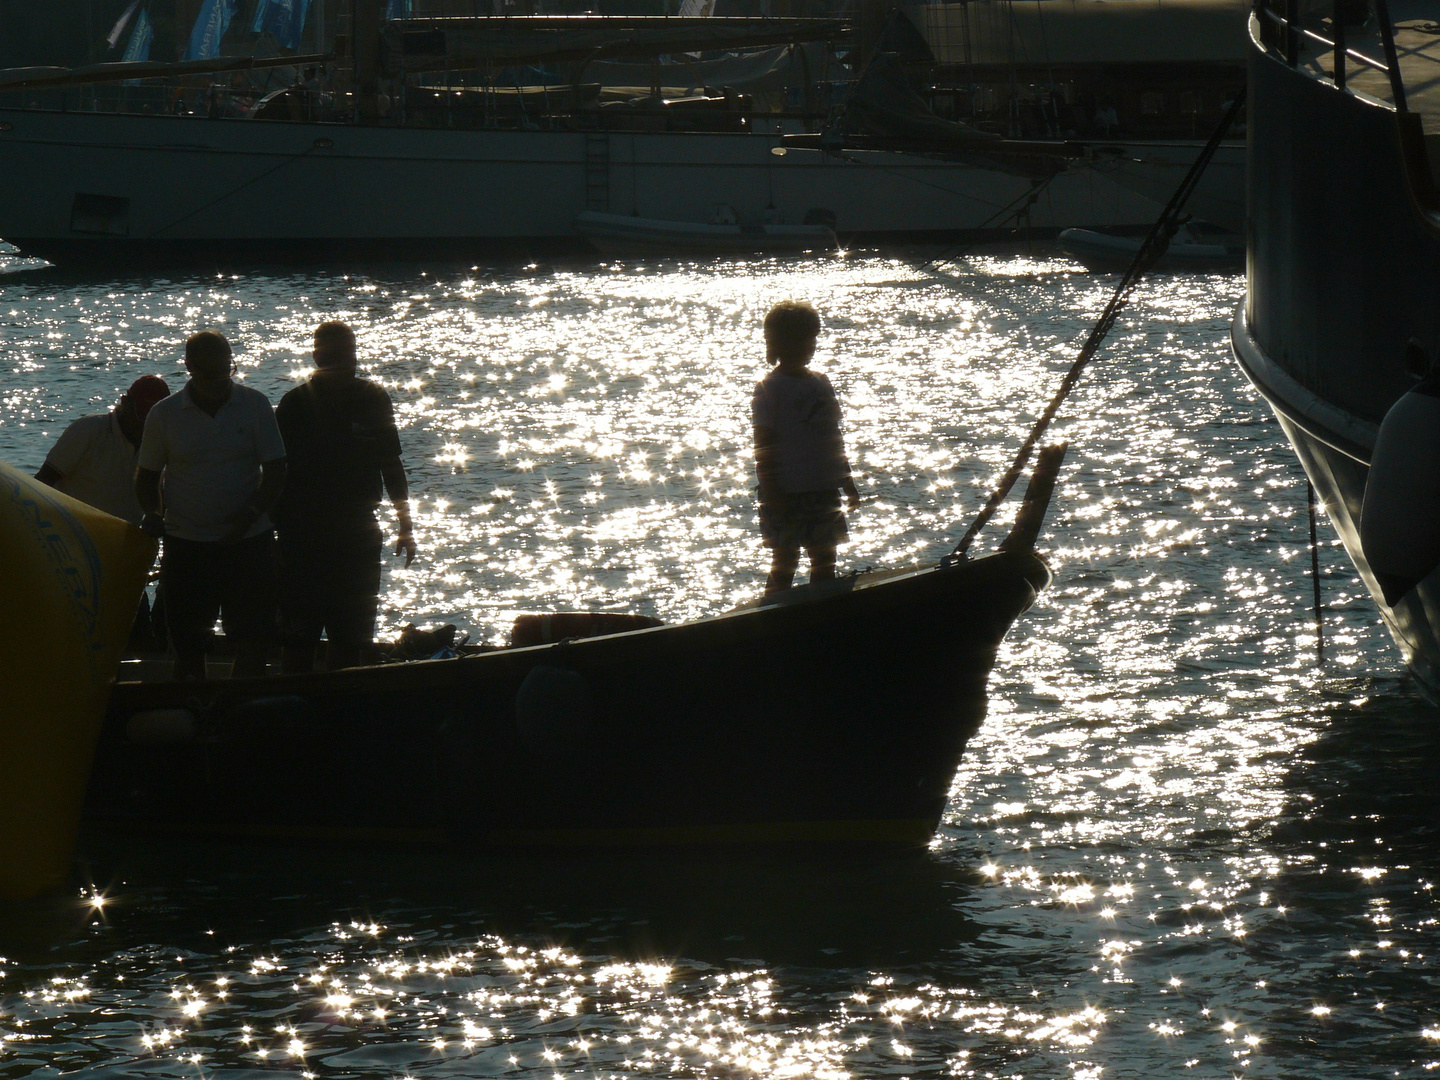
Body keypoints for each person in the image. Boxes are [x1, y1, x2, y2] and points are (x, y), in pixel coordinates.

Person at [135, 330, 287, 681]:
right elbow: (146, 478)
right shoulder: (164, 414)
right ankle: (193, 711)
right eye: (210, 376)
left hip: (249, 542)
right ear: (189, 368)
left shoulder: (255, 404)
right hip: (186, 544)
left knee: (253, 640)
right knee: (187, 644)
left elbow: (277, 469)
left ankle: (243, 714)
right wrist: (153, 513)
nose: (220, 383)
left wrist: (250, 516)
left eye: (226, 373)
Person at [272, 321, 417, 673]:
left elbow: (390, 463)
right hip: (301, 535)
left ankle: (341, 706)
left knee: (352, 637)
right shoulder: (293, 405)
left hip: (357, 533)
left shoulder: (373, 398)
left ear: (355, 355)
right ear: (315, 356)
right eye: (332, 355)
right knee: (297, 637)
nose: (340, 362)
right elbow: (273, 473)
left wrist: (405, 524)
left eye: (346, 354)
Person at [751, 300, 860, 595]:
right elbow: (763, 444)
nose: (809, 345)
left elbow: (833, 437)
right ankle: (772, 616)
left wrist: (847, 481)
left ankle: (820, 614)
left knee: (825, 558)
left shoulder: (821, 382)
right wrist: (772, 491)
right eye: (801, 339)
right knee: (785, 560)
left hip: (823, 488)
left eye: (812, 338)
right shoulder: (769, 388)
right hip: (784, 491)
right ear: (778, 343)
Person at [36, 375, 171, 525]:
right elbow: (42, 482)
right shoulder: (88, 430)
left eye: (156, 417)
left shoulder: (161, 443)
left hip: (124, 539)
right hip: (74, 532)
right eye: (142, 413)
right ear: (125, 402)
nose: (147, 423)